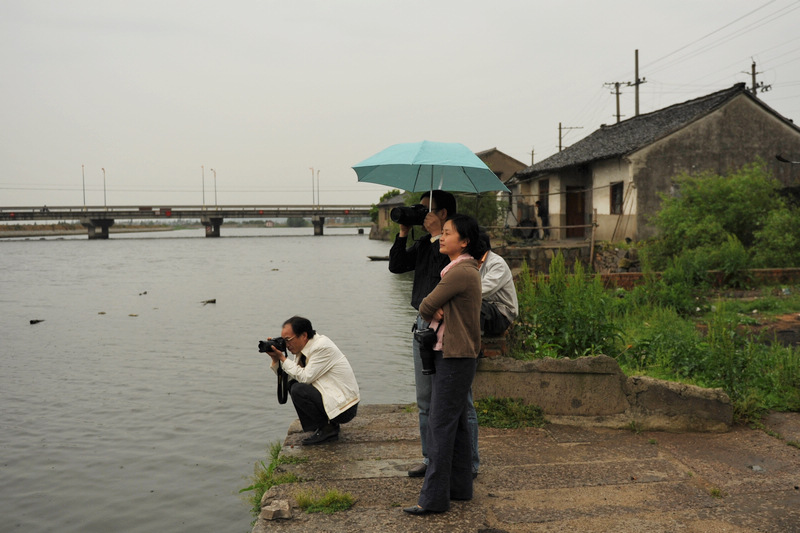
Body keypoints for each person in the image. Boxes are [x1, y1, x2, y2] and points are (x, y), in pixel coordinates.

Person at [388, 191, 480, 479]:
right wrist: (404, 230)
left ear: (443, 214)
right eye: (419, 209)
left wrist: (439, 235)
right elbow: (397, 265)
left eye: (426, 210)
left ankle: (470, 463)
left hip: (447, 329)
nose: (421, 214)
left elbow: (449, 280)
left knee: (461, 402)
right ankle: (431, 460)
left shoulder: (458, 249)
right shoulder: (428, 242)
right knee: (425, 400)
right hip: (422, 326)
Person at [403, 214, 485, 515]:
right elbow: (437, 306)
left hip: (454, 357)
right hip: (455, 355)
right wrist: (440, 311)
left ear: (463, 241)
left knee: (439, 426)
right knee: (458, 424)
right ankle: (460, 488)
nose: (443, 237)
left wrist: (435, 311)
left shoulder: (460, 271)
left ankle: (434, 498)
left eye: (448, 233)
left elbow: (425, 304)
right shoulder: (460, 269)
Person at [266, 316, 360, 445]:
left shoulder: (321, 347)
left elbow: (305, 378)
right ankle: (320, 427)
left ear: (304, 335)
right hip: (334, 401)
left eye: (288, 340)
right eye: (283, 340)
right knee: (293, 384)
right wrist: (276, 359)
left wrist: (283, 358)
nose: (286, 345)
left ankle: (328, 429)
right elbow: (291, 377)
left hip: (344, 409)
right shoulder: (303, 351)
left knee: (298, 389)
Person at [477, 232, 519, 336]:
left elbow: (481, 290)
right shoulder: (471, 261)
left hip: (501, 314)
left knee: (472, 305)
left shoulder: (496, 263)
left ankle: (475, 347)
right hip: (487, 306)